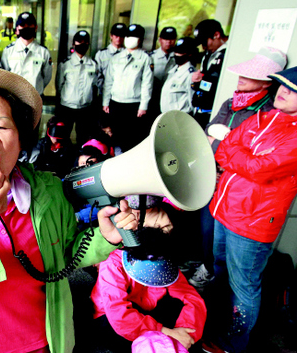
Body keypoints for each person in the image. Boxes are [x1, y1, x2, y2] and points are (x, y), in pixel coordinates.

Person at [0, 66, 137, 352]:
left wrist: (104, 237)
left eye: (2, 125)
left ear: (20, 139)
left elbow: (66, 253)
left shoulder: (49, 189)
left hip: (43, 341)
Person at [201, 66, 297, 353]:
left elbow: (258, 168)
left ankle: (233, 343)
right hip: (225, 207)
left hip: (253, 221)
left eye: (293, 90)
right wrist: (235, 149)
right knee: (220, 271)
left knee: (244, 285)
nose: (283, 91)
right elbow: (226, 146)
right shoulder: (264, 116)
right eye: (283, 85)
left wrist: (232, 149)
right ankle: (214, 323)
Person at [189, 47, 287, 290]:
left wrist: (222, 142)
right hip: (212, 175)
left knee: (223, 243)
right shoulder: (231, 102)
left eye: (250, 75)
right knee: (204, 228)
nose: (240, 78)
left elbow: (254, 155)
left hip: (237, 185)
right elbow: (208, 133)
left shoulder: (268, 113)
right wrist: (227, 141)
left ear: (266, 83)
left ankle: (212, 275)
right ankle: (205, 264)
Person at [91, 227, 206, 352]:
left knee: (181, 317)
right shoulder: (112, 264)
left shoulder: (163, 260)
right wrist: (167, 333)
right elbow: (118, 313)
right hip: (111, 315)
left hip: (147, 307)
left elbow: (190, 296)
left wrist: (186, 334)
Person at [103, 24, 153, 152]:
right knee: (115, 136)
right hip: (116, 103)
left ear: (140, 39)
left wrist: (143, 106)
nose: (129, 39)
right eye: (128, 36)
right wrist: (105, 102)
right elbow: (109, 82)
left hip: (133, 105)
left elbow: (147, 84)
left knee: (131, 139)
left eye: (134, 36)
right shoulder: (116, 58)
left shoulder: (145, 58)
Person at [56, 30, 100, 146]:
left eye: (85, 42)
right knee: (63, 136)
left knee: (83, 137)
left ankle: (81, 159)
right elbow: (59, 84)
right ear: (73, 44)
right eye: (79, 42)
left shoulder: (93, 64)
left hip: (85, 108)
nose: (82, 44)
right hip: (67, 106)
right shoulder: (65, 64)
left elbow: (95, 84)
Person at [1, 12, 52, 96]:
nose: (26, 27)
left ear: (35, 27)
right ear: (17, 29)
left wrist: (37, 87)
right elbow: (4, 75)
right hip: (15, 97)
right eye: (23, 25)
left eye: (29, 25)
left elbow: (46, 77)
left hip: (35, 97)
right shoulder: (8, 51)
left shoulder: (43, 52)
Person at [191, 19, 228, 129]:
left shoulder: (228, 54)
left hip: (215, 112)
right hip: (200, 109)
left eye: (205, 42)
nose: (203, 47)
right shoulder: (208, 54)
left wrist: (202, 83)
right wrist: (196, 81)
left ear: (216, 35)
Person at [160, 37, 197, 114]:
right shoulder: (173, 70)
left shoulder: (191, 74)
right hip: (166, 116)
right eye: (176, 51)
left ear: (189, 54)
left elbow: (192, 102)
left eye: (180, 52)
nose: (177, 54)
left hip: (180, 117)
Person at [94, 23, 127, 94]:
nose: (119, 38)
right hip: (104, 92)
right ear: (111, 36)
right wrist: (105, 88)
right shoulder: (101, 54)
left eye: (121, 36)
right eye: (116, 35)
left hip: (122, 94)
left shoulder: (128, 54)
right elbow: (97, 75)